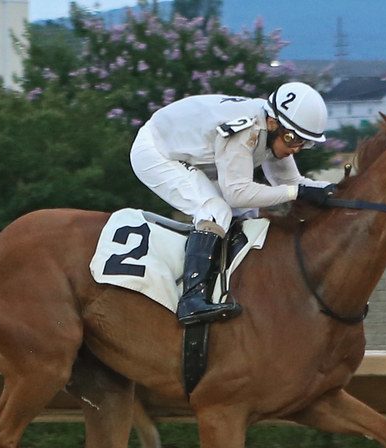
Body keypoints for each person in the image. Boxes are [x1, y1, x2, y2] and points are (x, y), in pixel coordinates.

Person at [130, 82, 336, 325]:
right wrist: (295, 192)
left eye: (305, 143)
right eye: (292, 139)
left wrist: (336, 191)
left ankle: (232, 284)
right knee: (215, 210)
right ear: (272, 123)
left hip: (192, 155)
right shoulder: (245, 132)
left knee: (249, 213)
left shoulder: (270, 128)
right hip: (156, 152)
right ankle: (191, 299)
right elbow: (238, 193)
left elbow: (291, 181)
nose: (296, 149)